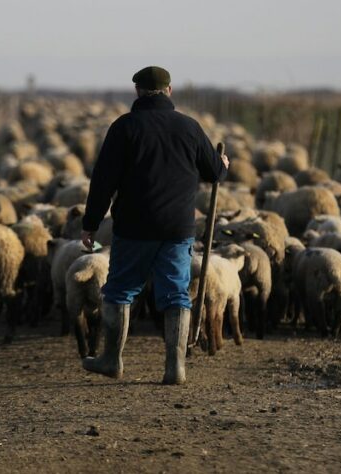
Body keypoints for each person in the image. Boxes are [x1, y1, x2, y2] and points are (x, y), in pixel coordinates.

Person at [80, 65, 229, 385]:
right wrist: (223, 164)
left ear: (137, 91)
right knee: (176, 293)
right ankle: (175, 367)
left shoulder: (125, 127)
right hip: (177, 228)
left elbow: (103, 180)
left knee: (119, 291)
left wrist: (91, 223)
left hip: (134, 226)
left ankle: (111, 360)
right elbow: (214, 172)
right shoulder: (190, 127)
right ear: (169, 91)